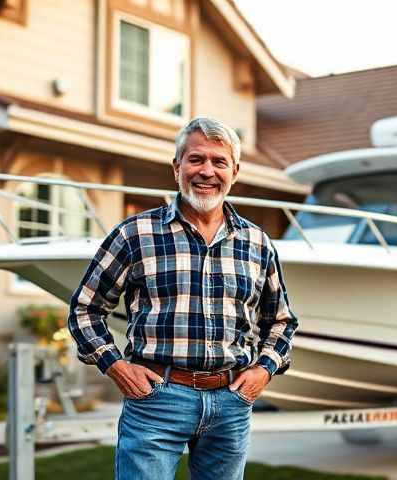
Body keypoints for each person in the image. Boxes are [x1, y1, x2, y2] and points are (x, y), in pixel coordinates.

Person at [67, 117, 298, 480]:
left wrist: (262, 371)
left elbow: (281, 321)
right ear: (177, 167)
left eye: (219, 162)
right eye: (196, 159)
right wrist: (115, 366)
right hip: (156, 399)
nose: (207, 171)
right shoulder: (135, 234)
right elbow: (85, 309)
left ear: (234, 171)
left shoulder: (258, 243)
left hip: (231, 401)